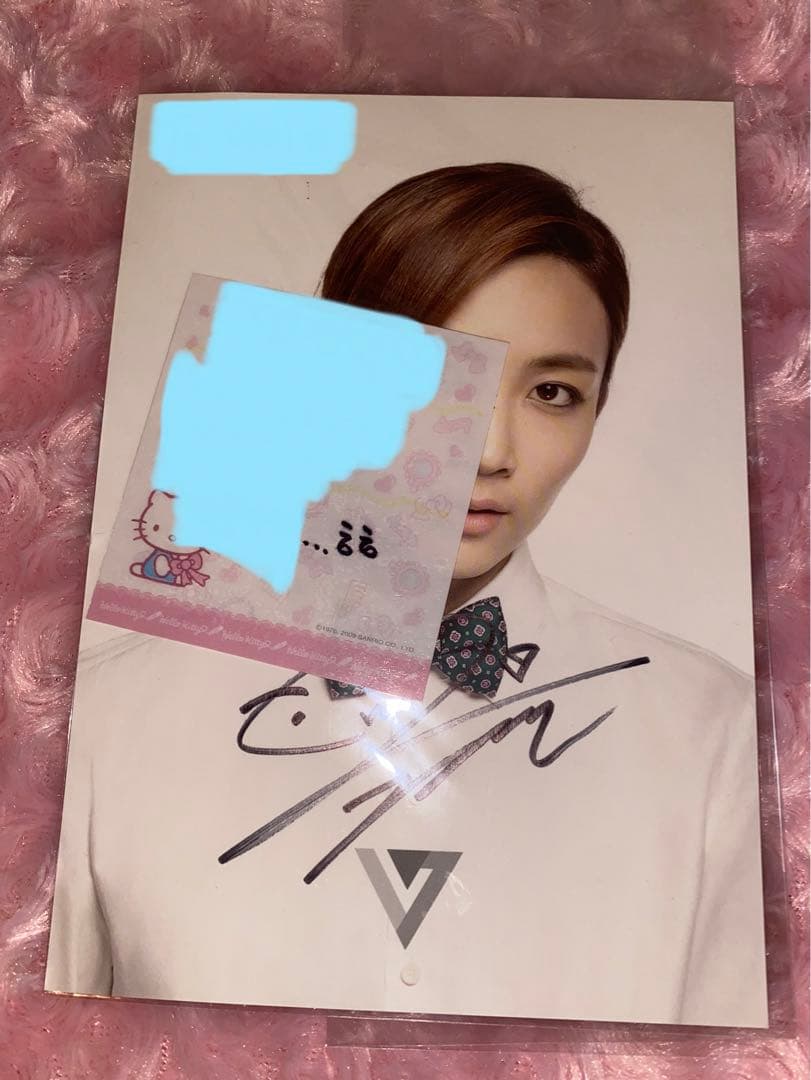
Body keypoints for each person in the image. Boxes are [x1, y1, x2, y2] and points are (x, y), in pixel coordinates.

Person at [45, 164, 768, 1028]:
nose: (490, 451)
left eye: (551, 393)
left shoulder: (711, 731)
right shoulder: (103, 716)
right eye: (437, 378)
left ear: (596, 409)